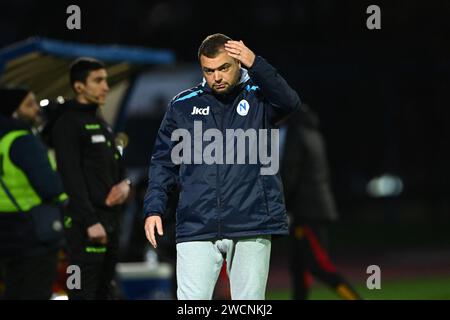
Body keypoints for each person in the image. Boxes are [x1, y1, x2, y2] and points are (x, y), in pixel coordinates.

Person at [144, 33, 301, 300]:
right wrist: (154, 208)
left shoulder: (259, 100)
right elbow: (163, 162)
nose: (216, 77)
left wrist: (256, 63)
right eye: (209, 70)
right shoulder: (182, 106)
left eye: (223, 68)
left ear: (239, 63)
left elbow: (290, 102)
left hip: (251, 222)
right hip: (196, 224)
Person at [49, 58, 131, 299]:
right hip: (86, 227)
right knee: (83, 292)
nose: (106, 86)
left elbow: (118, 168)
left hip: (110, 223)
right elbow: (70, 176)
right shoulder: (67, 123)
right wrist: (90, 221)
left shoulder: (100, 122)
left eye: (105, 80)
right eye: (98, 80)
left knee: (105, 292)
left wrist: (125, 186)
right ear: (79, 87)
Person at [280, 105, 361, 300]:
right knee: (300, 269)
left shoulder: (296, 135)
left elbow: (290, 173)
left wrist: (280, 203)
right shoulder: (312, 133)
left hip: (306, 212)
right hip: (315, 208)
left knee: (318, 266)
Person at [0, 87, 67, 299]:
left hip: (6, 233)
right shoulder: (24, 141)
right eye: (29, 105)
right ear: (13, 111)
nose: (36, 109)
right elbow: (51, 187)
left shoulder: (3, 142)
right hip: (34, 236)